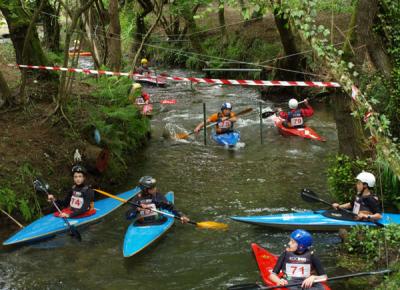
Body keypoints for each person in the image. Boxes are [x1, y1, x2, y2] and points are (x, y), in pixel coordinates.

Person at [126, 176, 190, 224]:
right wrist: (137, 209)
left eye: (155, 187)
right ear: (145, 190)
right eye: (152, 188)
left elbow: (171, 207)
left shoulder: (158, 197)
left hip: (158, 222)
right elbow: (128, 216)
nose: (155, 189)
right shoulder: (137, 199)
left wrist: (182, 216)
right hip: (142, 224)